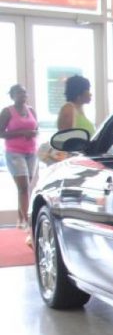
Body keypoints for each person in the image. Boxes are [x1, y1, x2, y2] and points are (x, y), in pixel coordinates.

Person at [0, 84, 38, 231]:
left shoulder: (31, 110)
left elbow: (36, 128)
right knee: (23, 187)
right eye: (19, 93)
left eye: (24, 92)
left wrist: (34, 133)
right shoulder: (7, 111)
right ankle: (28, 221)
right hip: (14, 153)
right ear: (12, 96)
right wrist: (22, 133)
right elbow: (1, 132)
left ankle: (20, 219)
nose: (23, 95)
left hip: (31, 152)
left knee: (24, 188)